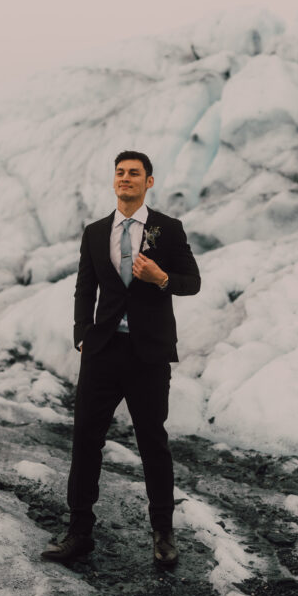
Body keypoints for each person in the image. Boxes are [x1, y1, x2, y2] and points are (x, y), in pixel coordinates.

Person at [41, 150, 201, 566]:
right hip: (103, 351)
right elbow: (84, 288)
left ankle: (163, 534)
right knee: (85, 442)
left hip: (149, 354)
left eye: (134, 173)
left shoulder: (168, 229)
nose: (125, 179)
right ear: (114, 181)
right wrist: (82, 335)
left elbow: (192, 283)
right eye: (120, 173)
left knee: (153, 443)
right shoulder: (95, 232)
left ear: (149, 181)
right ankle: (79, 532)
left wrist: (161, 278)